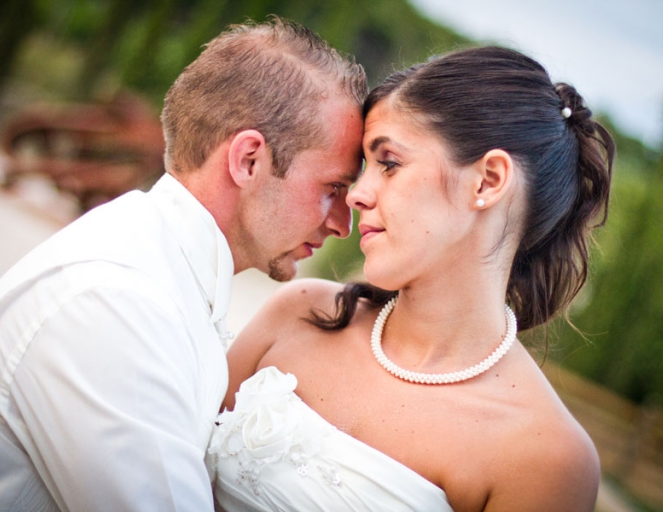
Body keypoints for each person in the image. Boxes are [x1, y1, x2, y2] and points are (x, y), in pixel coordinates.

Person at [0, 18, 366, 511]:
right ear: (248, 161)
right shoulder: (115, 303)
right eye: (332, 188)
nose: (341, 224)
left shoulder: (158, 266)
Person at [207, 45, 615, 511]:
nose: (357, 195)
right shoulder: (298, 312)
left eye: (389, 163)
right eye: (364, 167)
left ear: (487, 181)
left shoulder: (545, 458)